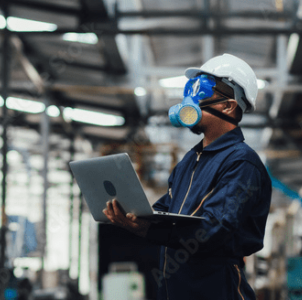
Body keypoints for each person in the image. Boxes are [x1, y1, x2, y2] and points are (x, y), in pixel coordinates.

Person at [103, 54, 271, 300]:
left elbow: (214, 230)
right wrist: (132, 213)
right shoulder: (189, 162)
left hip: (216, 291)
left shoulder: (241, 163)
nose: (189, 100)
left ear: (229, 105)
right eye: (189, 90)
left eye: (201, 92)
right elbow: (164, 212)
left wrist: (150, 230)